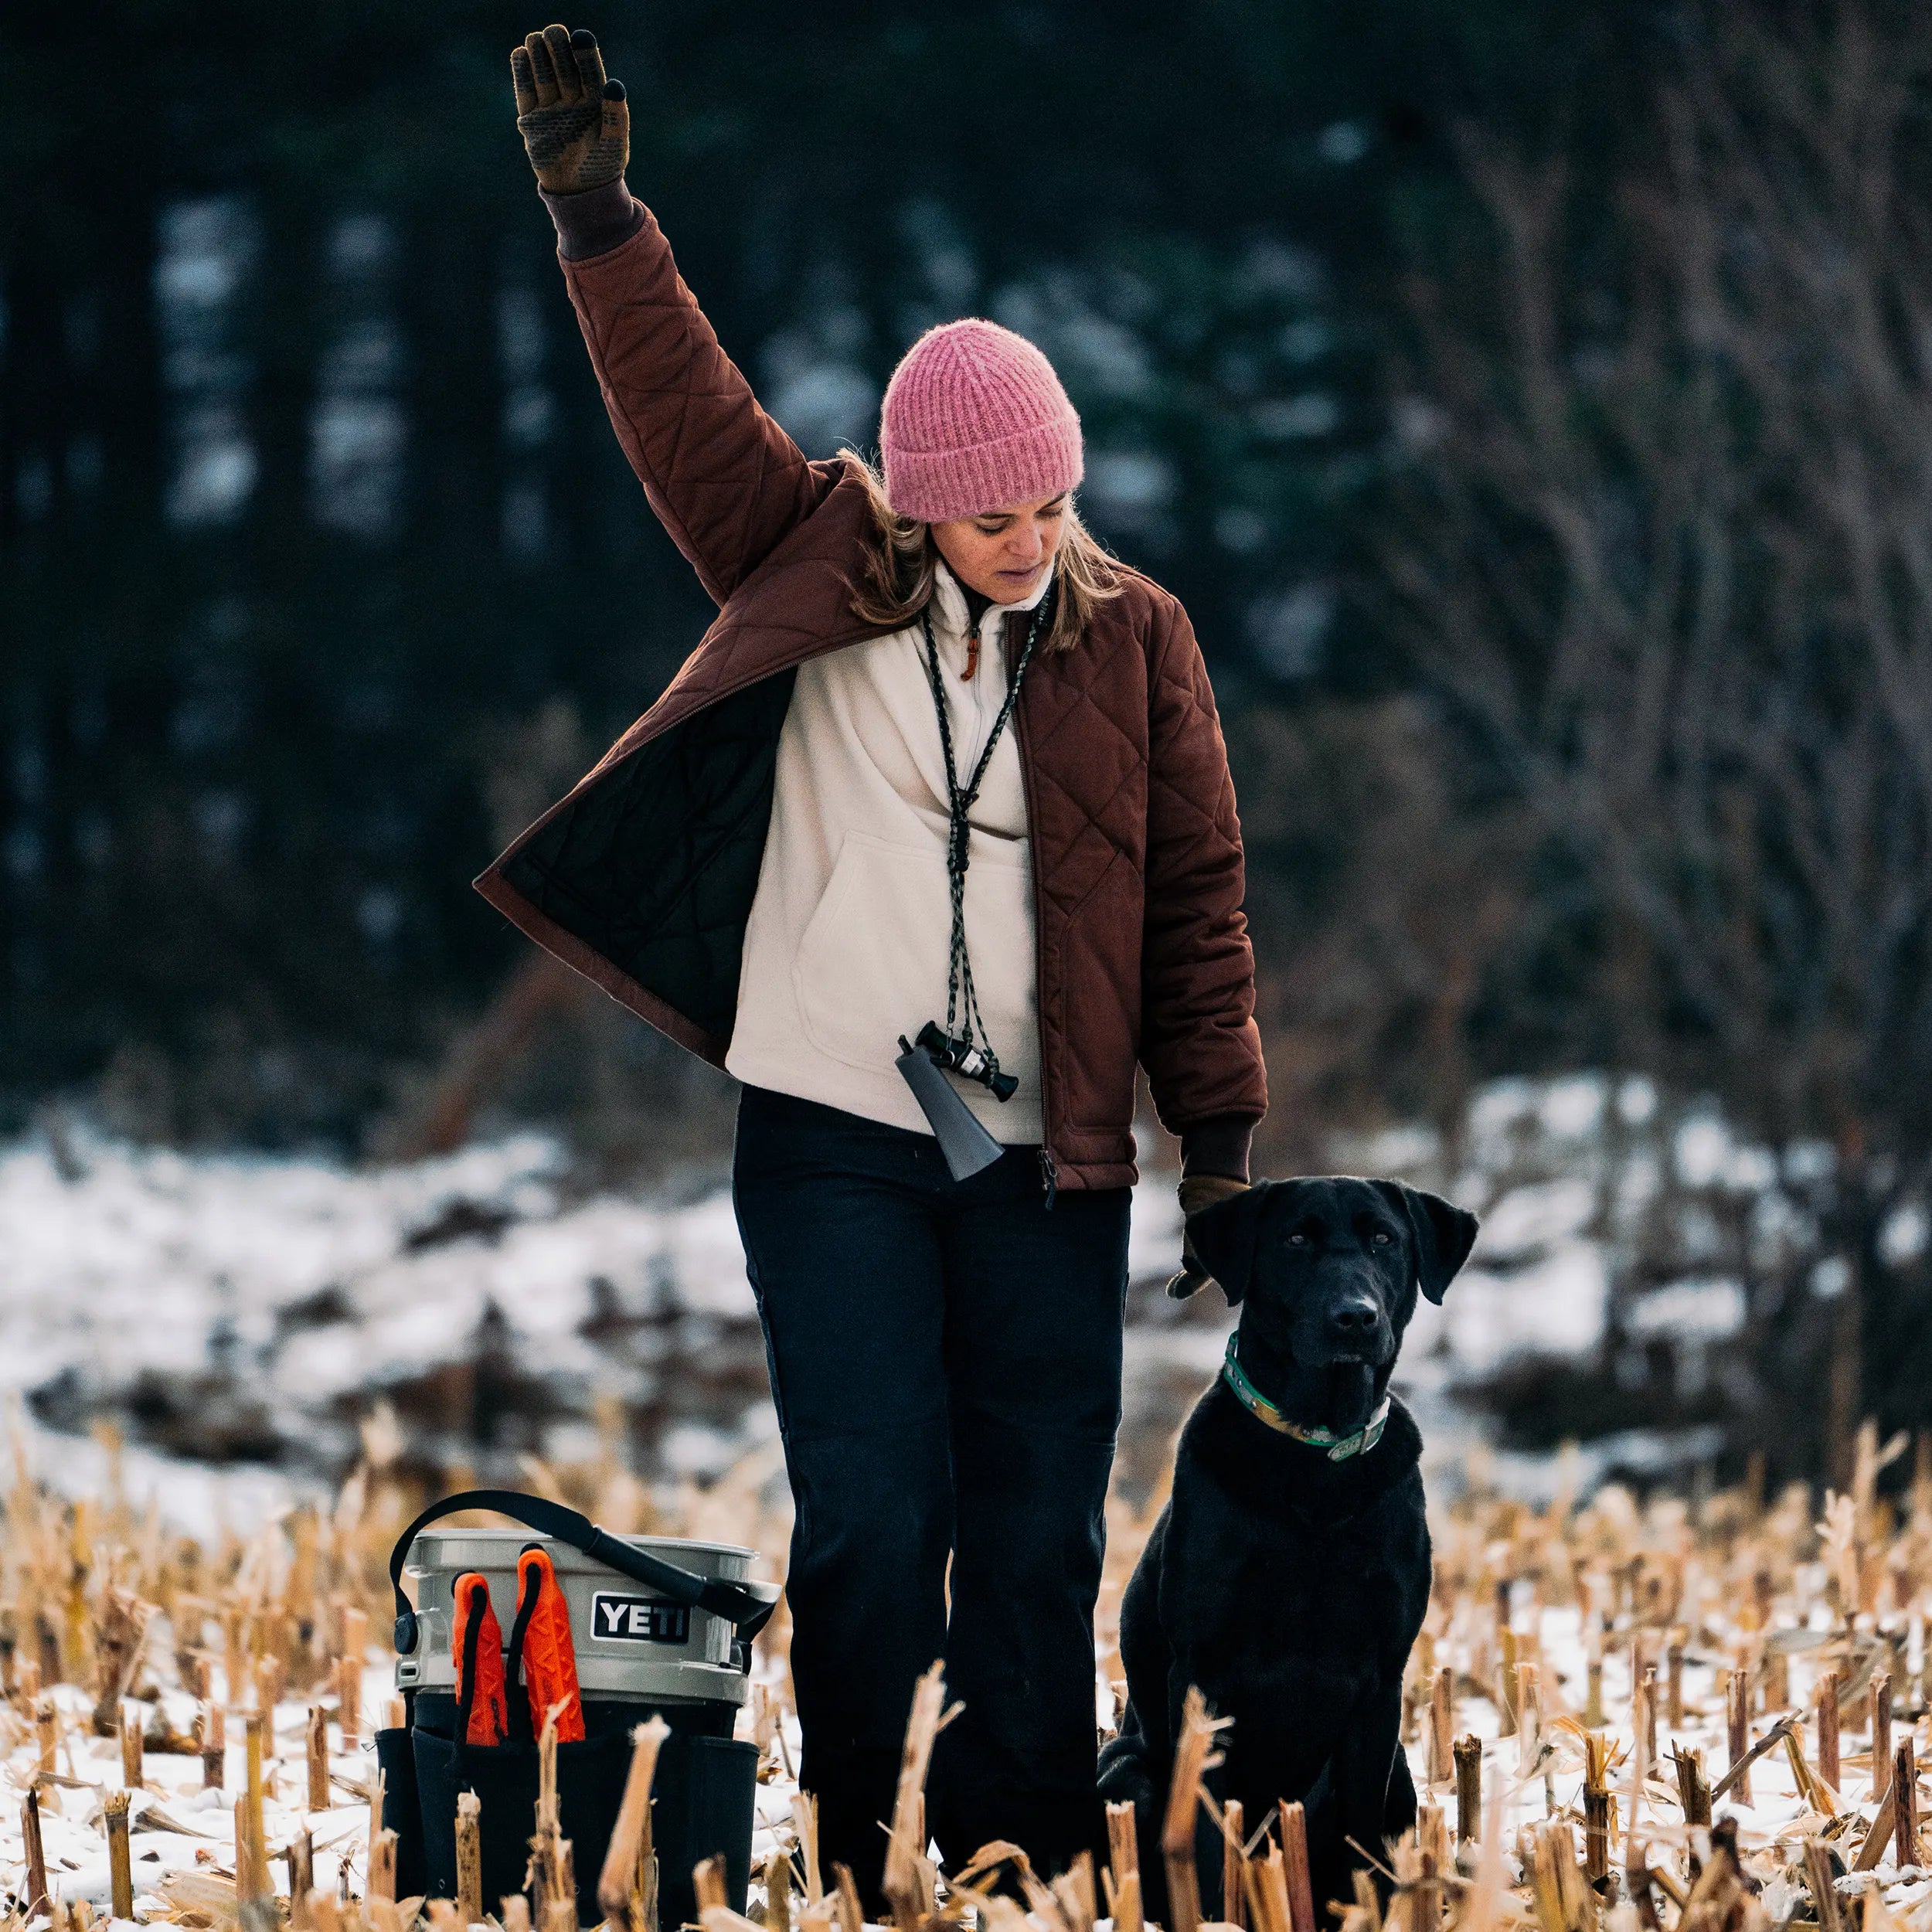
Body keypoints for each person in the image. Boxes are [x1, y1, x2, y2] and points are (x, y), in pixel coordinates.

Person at [481, 23, 1267, 1900]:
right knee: (869, 1509)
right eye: (990, 513)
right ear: (916, 500)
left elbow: (1195, 894)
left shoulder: (1134, 637)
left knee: (1027, 1528)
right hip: (831, 1122)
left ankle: (1013, 1860)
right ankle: (862, 1848)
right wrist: (598, 215)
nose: (1025, 540)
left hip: (1048, 1154)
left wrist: (1217, 1140)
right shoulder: (804, 557)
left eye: (1048, 505)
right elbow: (681, 401)